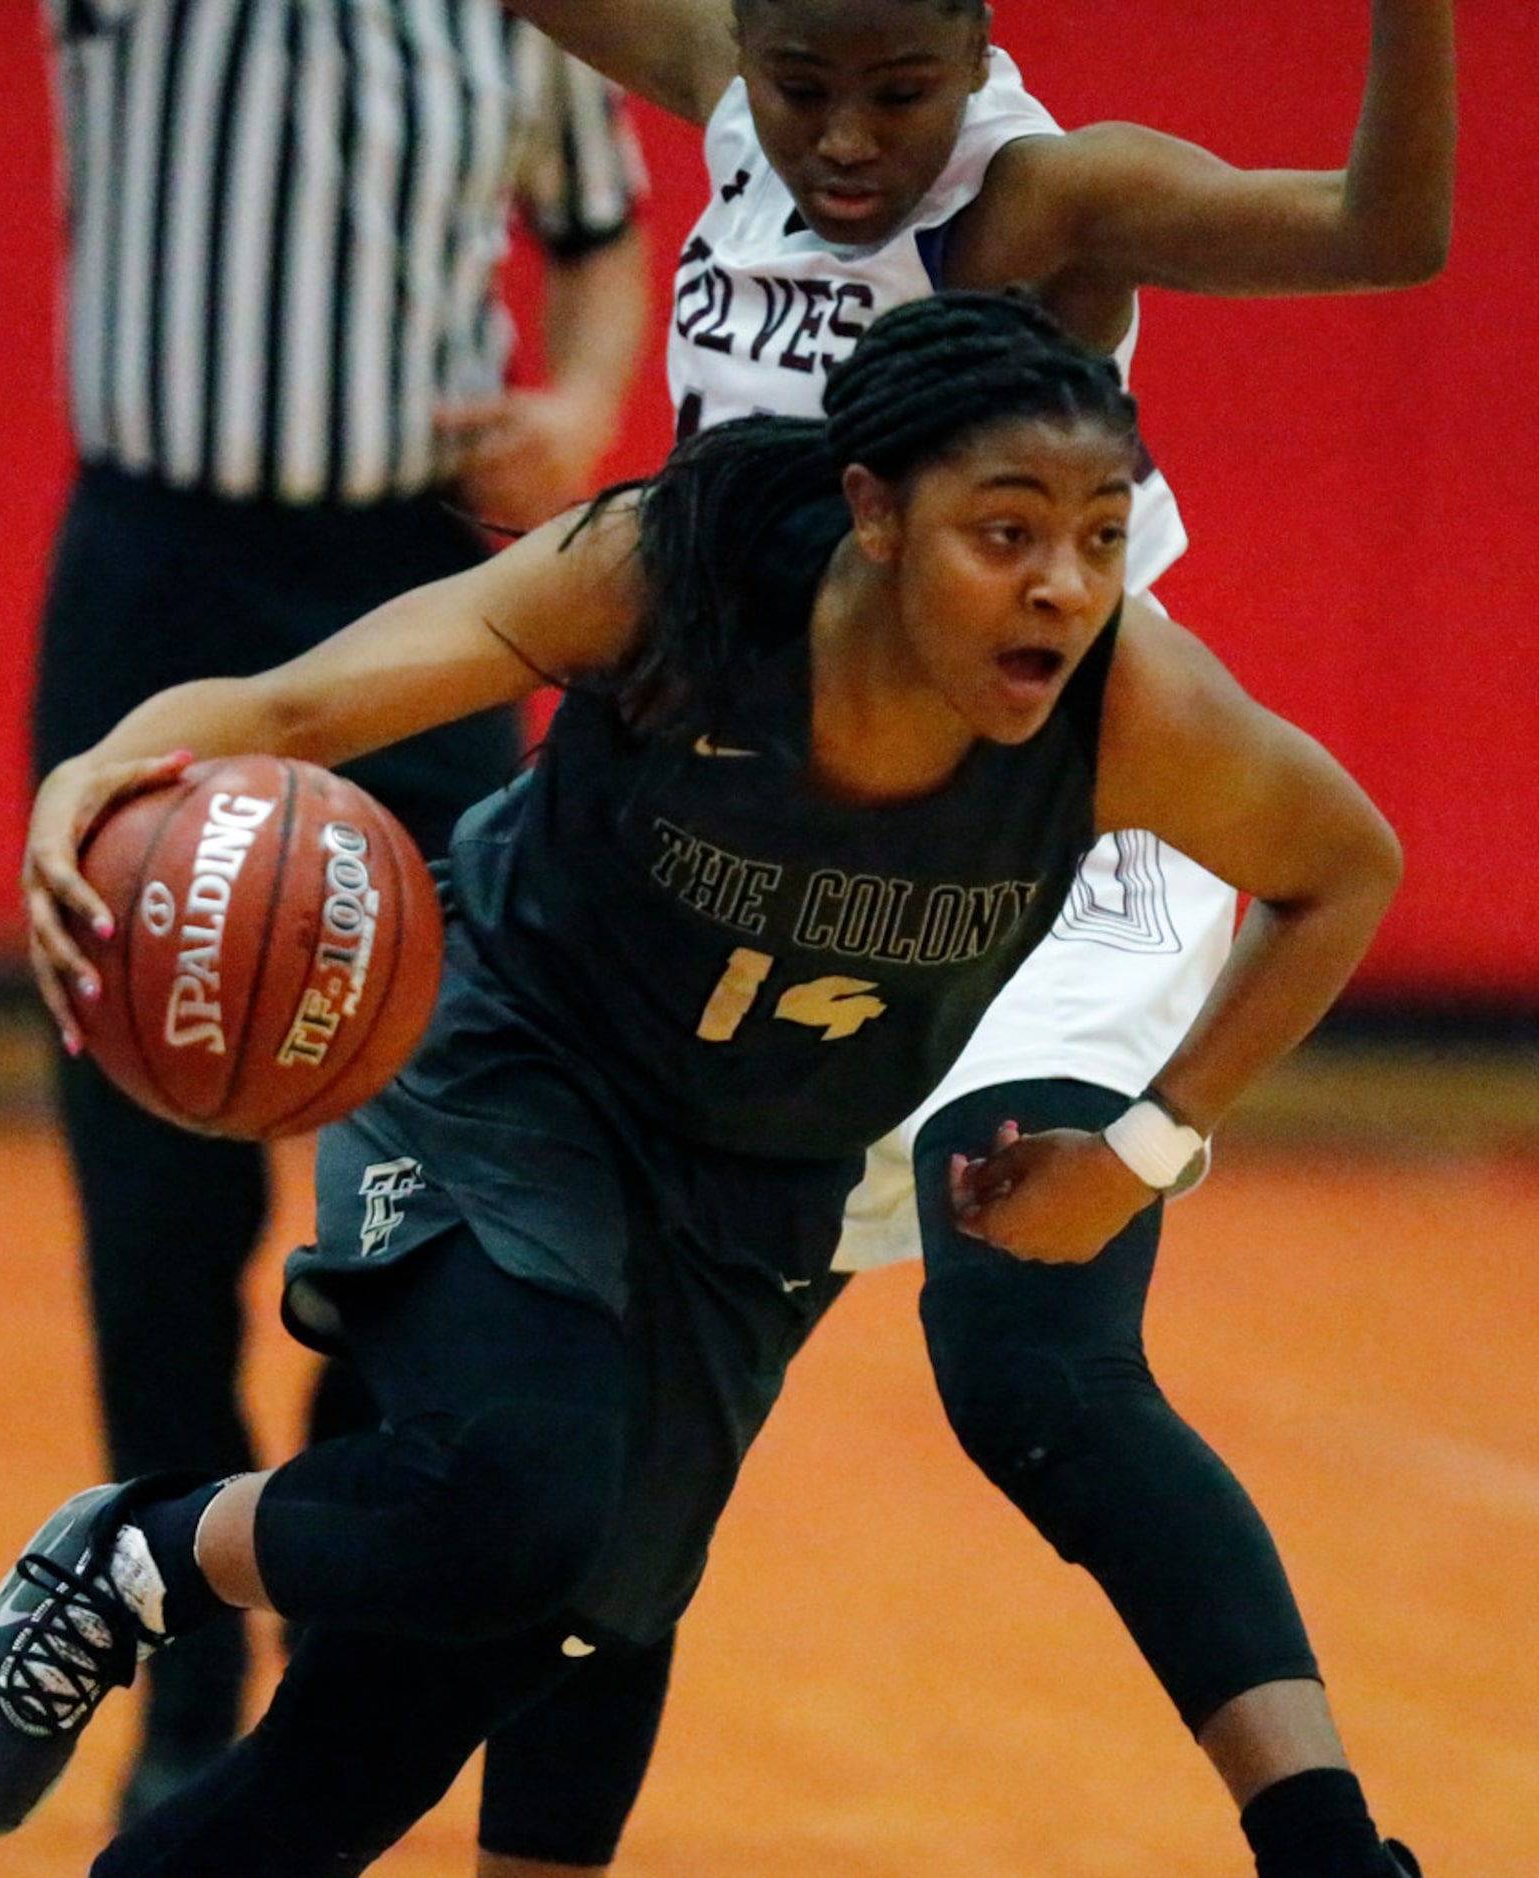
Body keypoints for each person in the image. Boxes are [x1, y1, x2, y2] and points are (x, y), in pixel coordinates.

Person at [0, 290, 1410, 1877]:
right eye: (1007, 529)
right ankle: (141, 1552)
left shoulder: (1125, 707)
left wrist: (1146, 1143)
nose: (1061, 583)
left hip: (752, 1183)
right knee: (522, 1496)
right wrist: (100, 772)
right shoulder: (678, 574)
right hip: (513, 1062)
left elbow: (1342, 870)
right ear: (874, 514)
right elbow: (294, 706)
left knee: (423, 1698)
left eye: (1101, 538)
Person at [397, 2, 1454, 1873]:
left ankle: (1330, 1845)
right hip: (775, 854)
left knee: (1026, 1346)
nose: (848, 139)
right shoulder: (747, 100)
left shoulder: (1051, 196)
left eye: (901, 92)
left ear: (978, 47)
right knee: (625, 1453)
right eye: (805, 89)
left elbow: (1383, 233)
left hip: (1051, 840)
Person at [31, 0, 650, 1841]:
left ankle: (330, 1622)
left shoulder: (529, 19)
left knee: (432, 1150)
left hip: (422, 584)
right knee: (148, 1176)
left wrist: (578, 405)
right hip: (158, 565)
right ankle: (175, 1658)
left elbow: (603, 235)